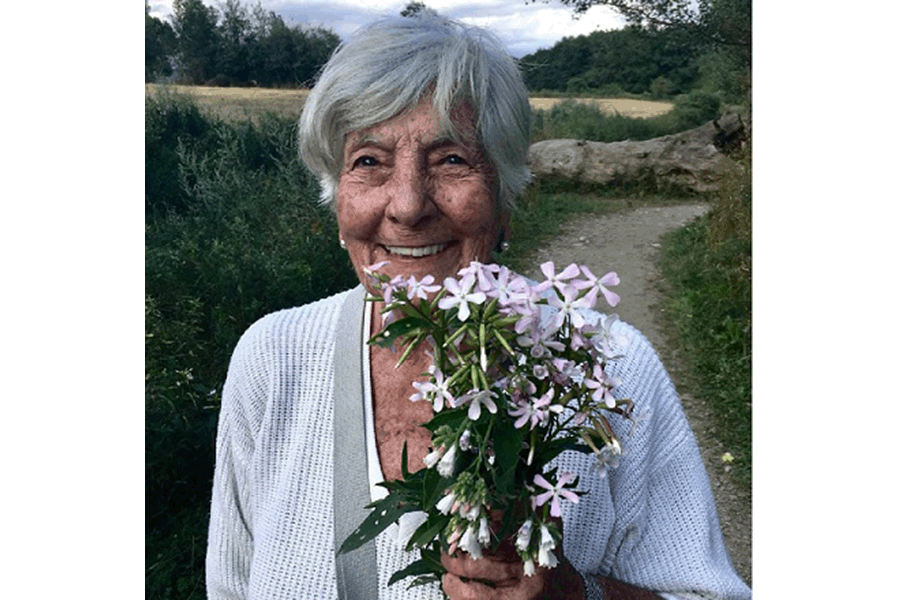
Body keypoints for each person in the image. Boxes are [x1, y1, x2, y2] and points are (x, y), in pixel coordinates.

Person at [205, 14, 752, 600]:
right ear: (337, 197)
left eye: (452, 161)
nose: (409, 206)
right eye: (368, 161)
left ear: (505, 198)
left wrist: (573, 595)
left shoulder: (613, 364)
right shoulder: (271, 358)